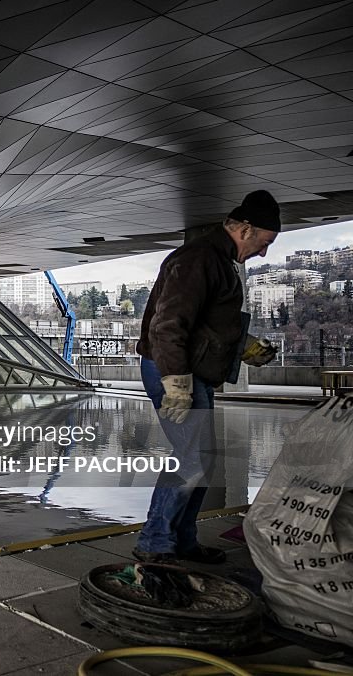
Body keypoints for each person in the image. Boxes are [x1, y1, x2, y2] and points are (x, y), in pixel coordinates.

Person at [133, 190, 280, 564]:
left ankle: (181, 540)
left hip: (190, 370)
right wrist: (176, 384)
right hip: (173, 370)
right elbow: (167, 326)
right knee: (190, 458)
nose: (263, 253)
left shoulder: (218, 260)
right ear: (245, 229)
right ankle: (154, 543)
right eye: (264, 243)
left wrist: (244, 346)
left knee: (203, 460)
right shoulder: (199, 257)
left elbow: (207, 325)